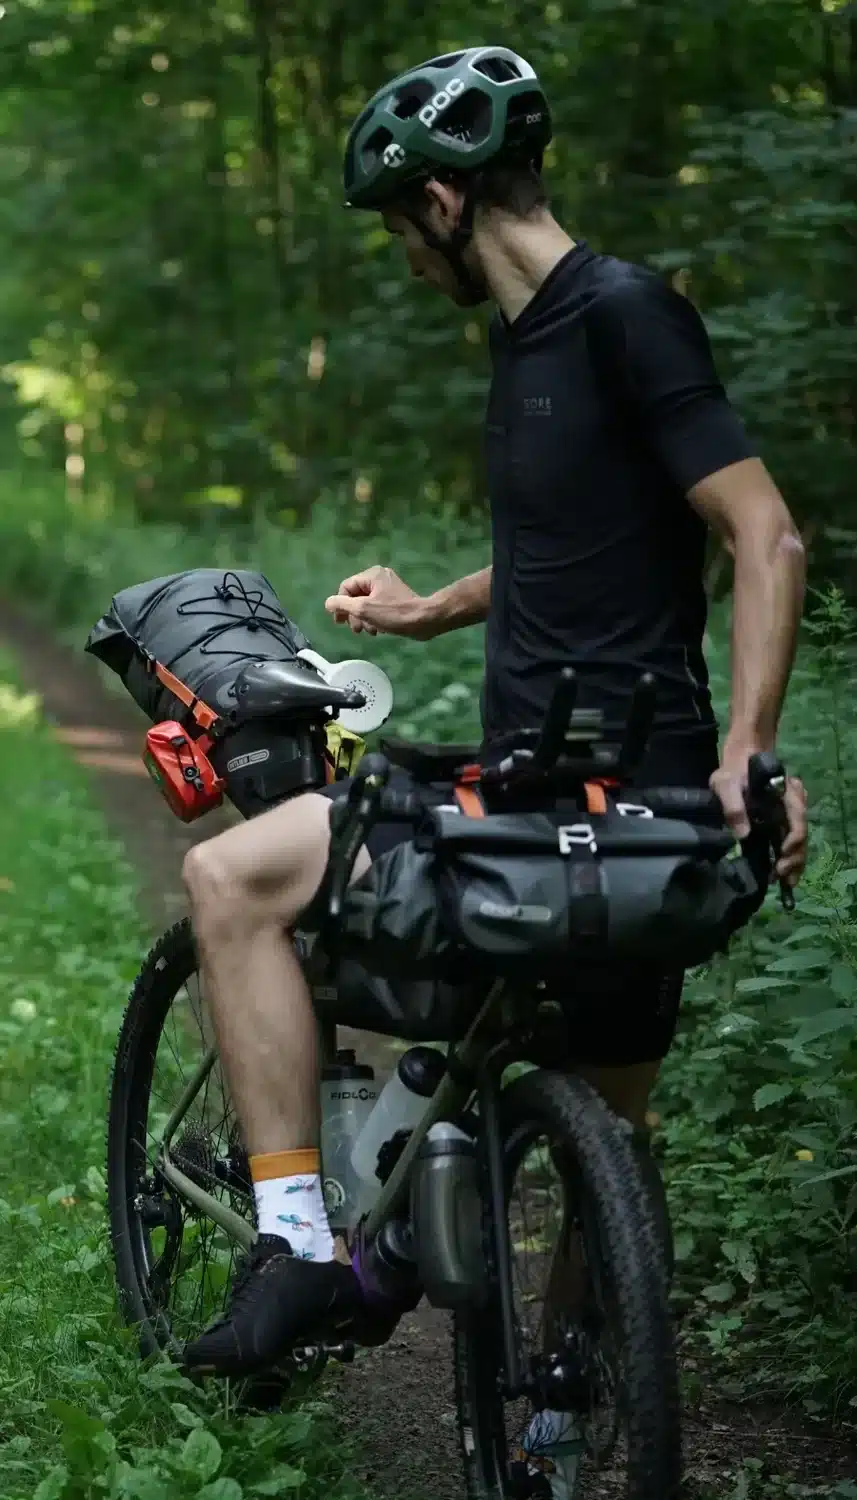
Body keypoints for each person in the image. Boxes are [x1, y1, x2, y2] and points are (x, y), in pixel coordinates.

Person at [182, 42, 807, 1490]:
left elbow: (762, 535)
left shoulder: (629, 314)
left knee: (231, 876)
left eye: (403, 227)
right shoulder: (539, 340)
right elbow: (575, 539)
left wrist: (748, 753)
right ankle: (552, 1402)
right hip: (560, 783)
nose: (405, 257)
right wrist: (431, 607)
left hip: (607, 792)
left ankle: (297, 1248)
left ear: (448, 202)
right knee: (611, 1111)